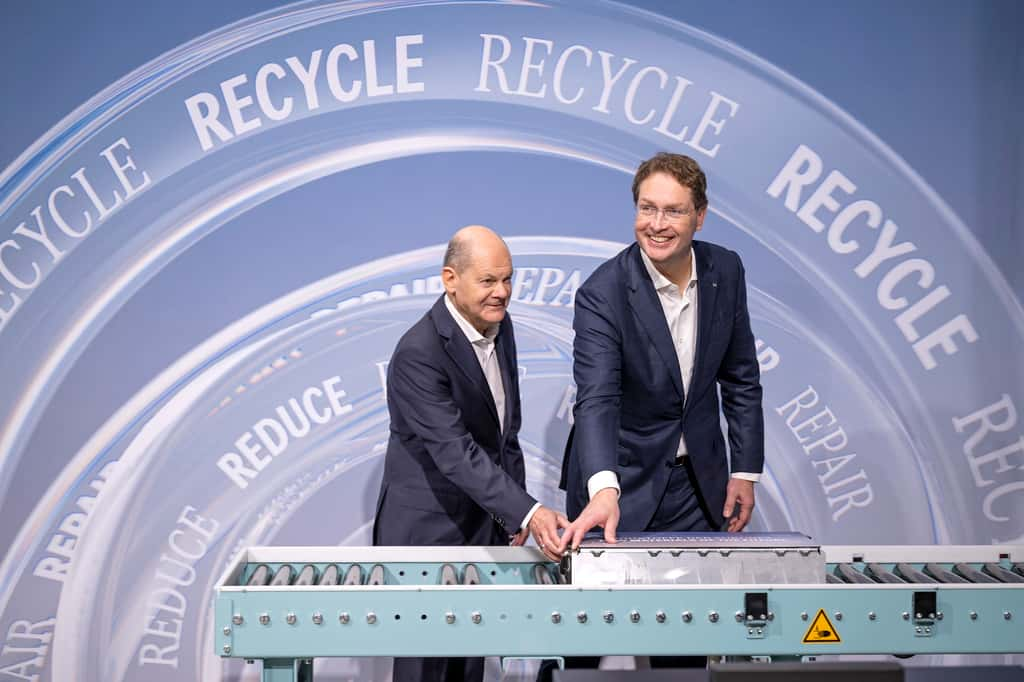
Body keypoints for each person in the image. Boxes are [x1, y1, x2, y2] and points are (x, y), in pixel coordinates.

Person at [546, 154, 764, 675]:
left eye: (673, 211)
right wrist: (603, 488)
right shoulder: (602, 293)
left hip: (695, 488)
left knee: (683, 648)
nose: (657, 224)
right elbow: (597, 397)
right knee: (582, 647)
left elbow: (741, 376)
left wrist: (744, 470)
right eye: (647, 208)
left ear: (700, 217)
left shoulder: (726, 269)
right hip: (614, 487)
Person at [374, 225, 568, 682]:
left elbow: (504, 431)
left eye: (508, 279)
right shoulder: (418, 353)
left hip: (482, 530)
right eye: (488, 281)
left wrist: (510, 512)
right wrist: (530, 512)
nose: (502, 293)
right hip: (426, 537)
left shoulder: (500, 324)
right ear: (450, 279)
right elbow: (455, 452)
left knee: (468, 667)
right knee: (426, 671)